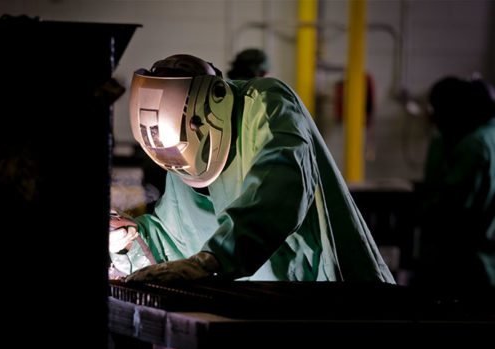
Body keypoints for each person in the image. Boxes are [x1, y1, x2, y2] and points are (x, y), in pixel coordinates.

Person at [108, 54, 393, 286]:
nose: (182, 174)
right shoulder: (182, 159)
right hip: (253, 329)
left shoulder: (266, 105)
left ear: (208, 109)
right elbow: (177, 239)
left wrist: (210, 260)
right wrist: (129, 239)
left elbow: (279, 193)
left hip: (332, 315)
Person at [414, 75, 495, 290]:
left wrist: (419, 211)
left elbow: (450, 208)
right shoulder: (489, 137)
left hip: (472, 266)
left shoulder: (475, 146)